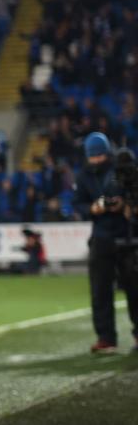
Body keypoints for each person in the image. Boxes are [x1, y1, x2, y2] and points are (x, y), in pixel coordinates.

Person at [72, 132, 138, 353]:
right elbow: (77, 203)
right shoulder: (83, 176)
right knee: (100, 290)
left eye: (101, 155)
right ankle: (106, 337)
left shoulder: (121, 169)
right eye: (94, 156)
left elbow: (133, 194)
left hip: (127, 234)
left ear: (108, 153)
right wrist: (92, 208)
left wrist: (125, 204)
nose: (97, 160)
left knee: (134, 287)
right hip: (101, 237)